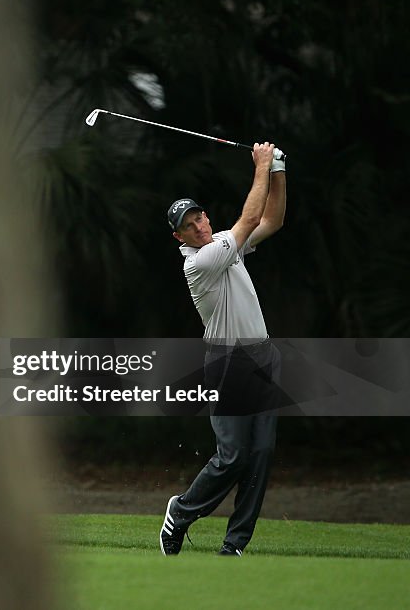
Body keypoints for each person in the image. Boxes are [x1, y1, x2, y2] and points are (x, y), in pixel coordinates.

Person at [159, 142, 287, 556]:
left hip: (263, 358)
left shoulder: (229, 248)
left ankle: (234, 545)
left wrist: (279, 171)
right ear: (178, 236)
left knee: (261, 454)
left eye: (200, 217)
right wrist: (263, 164)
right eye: (189, 224)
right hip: (228, 364)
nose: (198, 225)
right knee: (232, 456)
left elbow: (271, 219)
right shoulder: (200, 262)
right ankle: (181, 511)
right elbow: (250, 217)